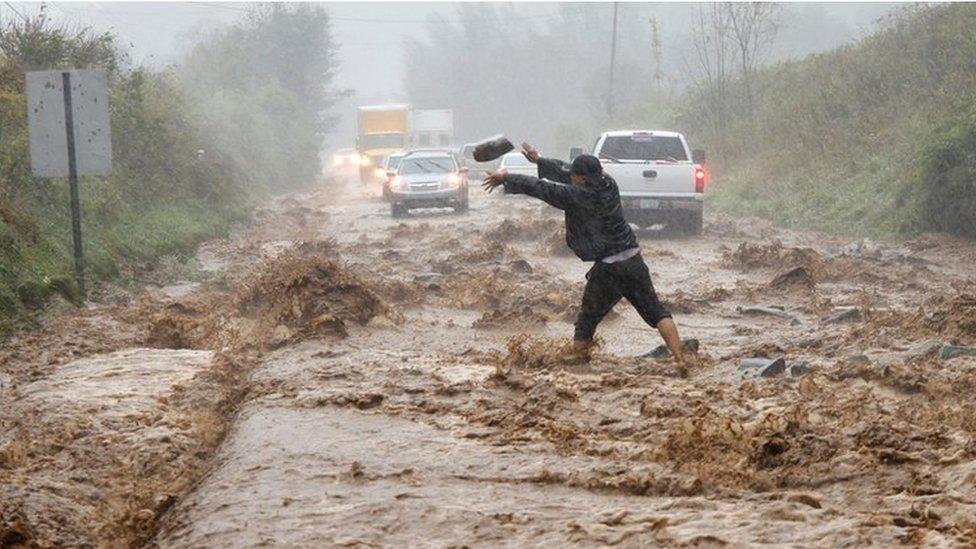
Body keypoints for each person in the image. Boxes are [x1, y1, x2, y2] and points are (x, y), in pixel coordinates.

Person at [482, 142, 689, 369]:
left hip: (609, 269)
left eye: (575, 176)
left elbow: (542, 188)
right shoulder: (609, 183)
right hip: (633, 260)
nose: (571, 178)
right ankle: (681, 359)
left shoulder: (579, 196)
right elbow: (564, 172)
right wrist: (539, 160)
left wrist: (507, 178)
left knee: (586, 322)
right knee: (657, 312)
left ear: (581, 178)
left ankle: (577, 369)